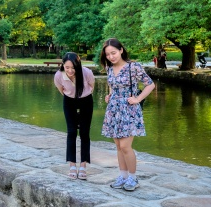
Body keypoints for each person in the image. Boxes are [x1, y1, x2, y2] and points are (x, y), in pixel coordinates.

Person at [100, 38, 156, 192]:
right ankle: (123, 176)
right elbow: (112, 85)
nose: (111, 56)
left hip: (129, 109)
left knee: (125, 146)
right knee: (118, 146)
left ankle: (133, 177)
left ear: (121, 50)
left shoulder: (133, 67)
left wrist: (138, 99)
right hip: (114, 109)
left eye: (114, 53)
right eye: (108, 54)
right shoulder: (109, 68)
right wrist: (109, 95)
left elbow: (150, 84)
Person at [53, 52, 95, 180]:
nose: (70, 70)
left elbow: (92, 86)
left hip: (86, 100)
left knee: (84, 133)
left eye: (73, 67)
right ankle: (72, 165)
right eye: (67, 67)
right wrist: (71, 97)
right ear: (63, 66)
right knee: (71, 132)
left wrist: (82, 97)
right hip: (69, 101)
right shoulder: (59, 75)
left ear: (78, 65)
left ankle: (83, 166)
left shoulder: (86, 72)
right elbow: (61, 90)